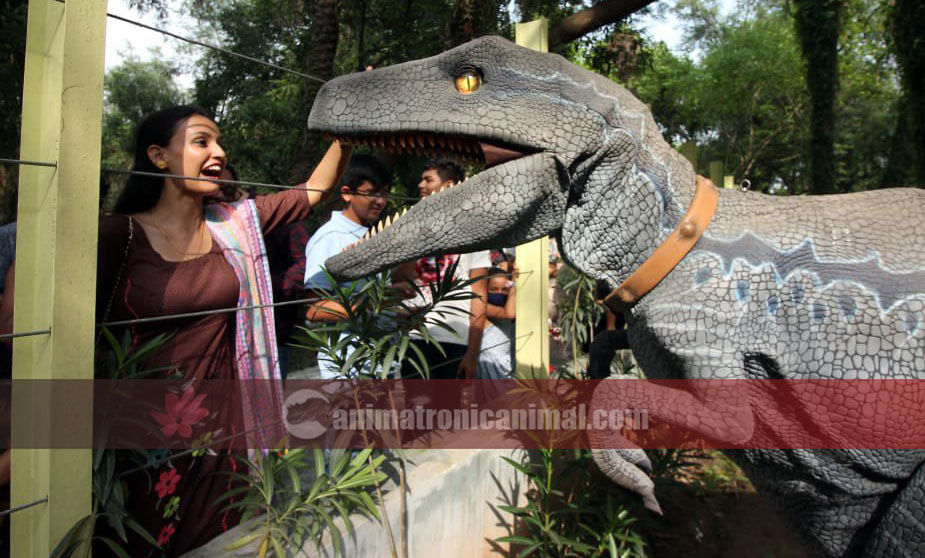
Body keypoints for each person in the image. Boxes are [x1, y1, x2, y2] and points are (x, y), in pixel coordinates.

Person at [96, 105, 351, 554]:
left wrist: (347, 131)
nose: (218, 151)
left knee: (223, 539)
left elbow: (313, 190)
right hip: (139, 445)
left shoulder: (233, 225)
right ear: (158, 156)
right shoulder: (119, 236)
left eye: (218, 141)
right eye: (201, 142)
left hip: (224, 436)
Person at [399, 159, 491, 381]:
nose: (421, 185)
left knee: (448, 411)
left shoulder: (474, 233)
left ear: (449, 186)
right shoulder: (408, 226)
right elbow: (399, 279)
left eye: (428, 179)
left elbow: (479, 296)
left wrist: (472, 353)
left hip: (454, 339)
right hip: (414, 337)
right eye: (421, 179)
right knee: (416, 411)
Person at [302, 154, 391, 378]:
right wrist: (372, 306)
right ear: (346, 193)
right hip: (347, 368)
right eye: (371, 193)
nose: (380, 201)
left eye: (385, 194)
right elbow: (315, 309)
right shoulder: (330, 237)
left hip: (381, 362)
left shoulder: (376, 235)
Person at [477, 267, 517, 387]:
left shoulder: (510, 303)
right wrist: (514, 284)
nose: (499, 293)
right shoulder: (481, 307)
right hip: (489, 367)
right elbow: (510, 313)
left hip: (505, 366)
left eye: (504, 290)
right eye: (494, 289)